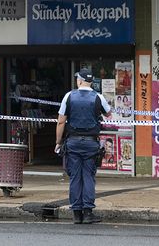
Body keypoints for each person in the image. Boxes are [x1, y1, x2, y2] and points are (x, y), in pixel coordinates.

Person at [55, 68, 112, 224]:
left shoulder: (69, 96)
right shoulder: (98, 97)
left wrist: (58, 142)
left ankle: (76, 214)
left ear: (79, 81)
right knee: (88, 176)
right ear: (91, 82)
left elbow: (61, 121)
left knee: (75, 177)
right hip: (91, 143)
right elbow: (108, 113)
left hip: (72, 142)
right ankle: (88, 213)